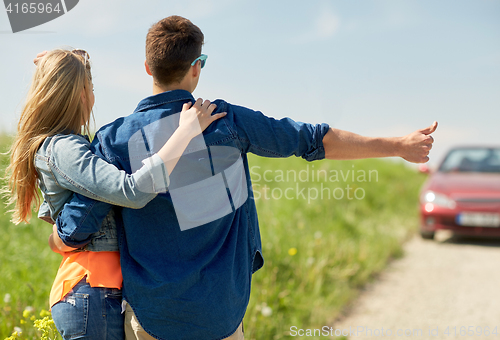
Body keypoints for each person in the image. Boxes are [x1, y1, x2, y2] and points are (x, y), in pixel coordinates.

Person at [55, 16, 437, 340]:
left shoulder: (112, 137)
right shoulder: (228, 121)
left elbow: (79, 222)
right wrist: (398, 144)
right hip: (221, 315)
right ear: (195, 67)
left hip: (152, 319)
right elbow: (312, 138)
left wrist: (59, 231)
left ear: (147, 67)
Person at [5, 48, 225, 339]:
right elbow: (132, 191)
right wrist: (185, 132)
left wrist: (75, 60)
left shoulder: (65, 146)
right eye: (91, 88)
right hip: (92, 291)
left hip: (101, 292)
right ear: (80, 95)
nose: (94, 96)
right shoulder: (64, 149)